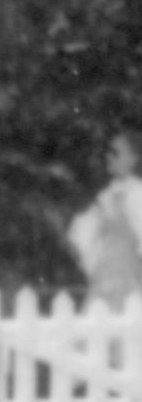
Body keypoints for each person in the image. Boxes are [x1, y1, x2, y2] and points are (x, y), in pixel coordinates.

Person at [68, 131, 142, 309]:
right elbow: (82, 236)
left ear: (133, 159)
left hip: (130, 274)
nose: (109, 157)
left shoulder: (137, 193)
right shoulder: (106, 196)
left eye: (116, 153)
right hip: (105, 275)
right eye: (108, 152)